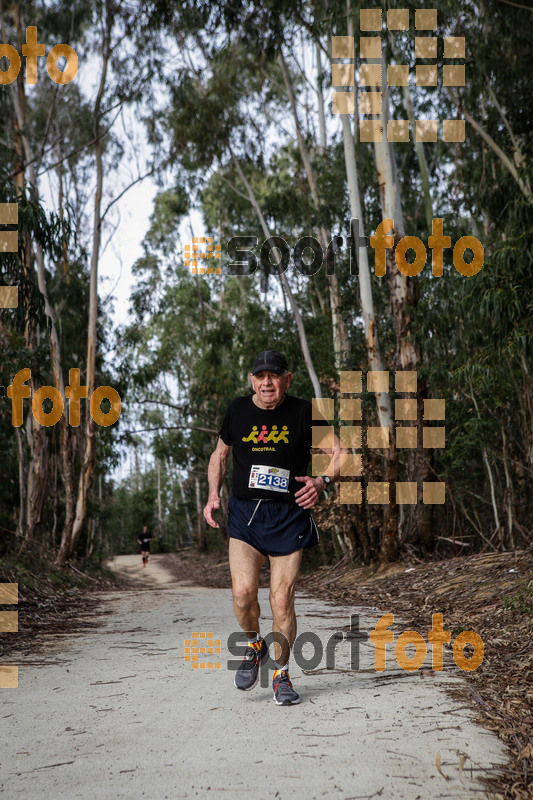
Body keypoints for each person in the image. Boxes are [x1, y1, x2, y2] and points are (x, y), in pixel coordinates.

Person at [203, 349, 339, 706]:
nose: (266, 382)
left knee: (281, 600)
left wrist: (322, 481)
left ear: (286, 379)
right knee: (243, 593)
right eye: (260, 376)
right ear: (252, 380)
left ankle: (281, 675)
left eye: (274, 375)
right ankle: (253, 646)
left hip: (288, 514)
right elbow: (220, 455)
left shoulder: (304, 411)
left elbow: (340, 452)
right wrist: (212, 495)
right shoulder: (237, 410)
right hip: (245, 516)